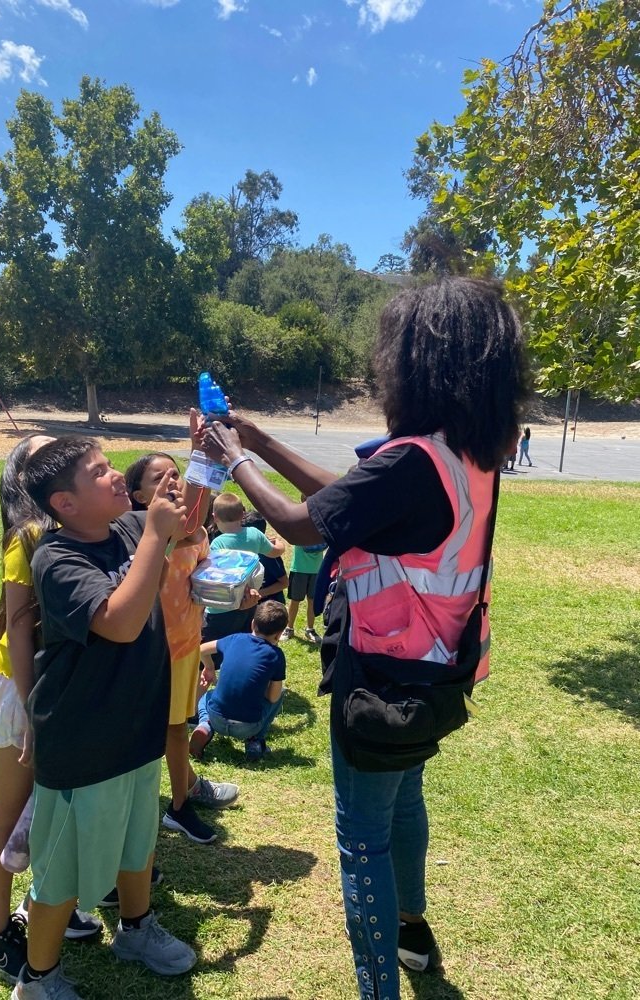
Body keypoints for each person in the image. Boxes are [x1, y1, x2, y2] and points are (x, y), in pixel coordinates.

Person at [202, 277, 529, 1000]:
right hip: (437, 675)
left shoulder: (413, 461)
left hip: (380, 685)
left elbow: (298, 522)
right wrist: (259, 441)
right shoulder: (464, 456)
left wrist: (230, 456)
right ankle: (412, 933)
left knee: (362, 842)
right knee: (405, 803)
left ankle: (378, 986)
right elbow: (344, 497)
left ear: (416, 365)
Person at [15, 436, 196, 1000]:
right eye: (99, 473)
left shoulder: (122, 530)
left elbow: (185, 520)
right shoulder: (57, 558)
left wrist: (205, 451)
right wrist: (154, 534)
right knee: (60, 875)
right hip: (84, 744)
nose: (117, 475)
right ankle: (37, 979)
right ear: (65, 504)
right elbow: (117, 622)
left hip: (135, 729)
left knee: (137, 844)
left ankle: (136, 931)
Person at [0, 435, 102, 988]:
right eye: (48, 453)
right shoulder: (26, 537)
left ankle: (48, 908)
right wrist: (32, 708)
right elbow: (20, 626)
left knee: (51, 806)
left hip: (61, 684)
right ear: (29, 481)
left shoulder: (88, 527)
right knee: (11, 806)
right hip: (26, 688)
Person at [124, 445, 239, 848]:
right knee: (174, 729)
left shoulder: (198, 531)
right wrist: (201, 457)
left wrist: (229, 587)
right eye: (160, 478)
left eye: (176, 474)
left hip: (188, 641)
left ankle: (187, 782)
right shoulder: (146, 530)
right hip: (159, 649)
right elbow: (187, 520)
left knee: (178, 724)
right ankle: (179, 805)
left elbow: (199, 562)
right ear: (137, 496)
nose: (172, 481)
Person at [191, 601, 288, 761]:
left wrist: (209, 667)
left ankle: (205, 725)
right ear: (279, 635)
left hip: (217, 718)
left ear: (252, 624)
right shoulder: (276, 655)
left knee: (207, 696)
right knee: (281, 693)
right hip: (248, 727)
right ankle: (255, 741)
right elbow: (272, 698)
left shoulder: (235, 639)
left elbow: (201, 649)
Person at [202, 491, 285, 643]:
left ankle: (210, 666)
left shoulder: (217, 544)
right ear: (243, 514)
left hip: (221, 608)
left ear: (215, 517)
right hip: (248, 601)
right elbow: (275, 552)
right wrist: (280, 544)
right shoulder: (254, 534)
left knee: (214, 647)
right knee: (241, 642)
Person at [282, 503, 327, 643]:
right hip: (299, 569)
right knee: (295, 601)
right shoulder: (299, 525)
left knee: (312, 601)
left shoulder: (321, 524)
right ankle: (289, 628)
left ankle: (310, 629)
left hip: (316, 570)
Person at [242, 510, 288, 605]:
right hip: (251, 604)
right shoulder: (242, 549)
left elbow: (284, 583)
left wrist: (259, 594)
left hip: (270, 605)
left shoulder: (269, 554)